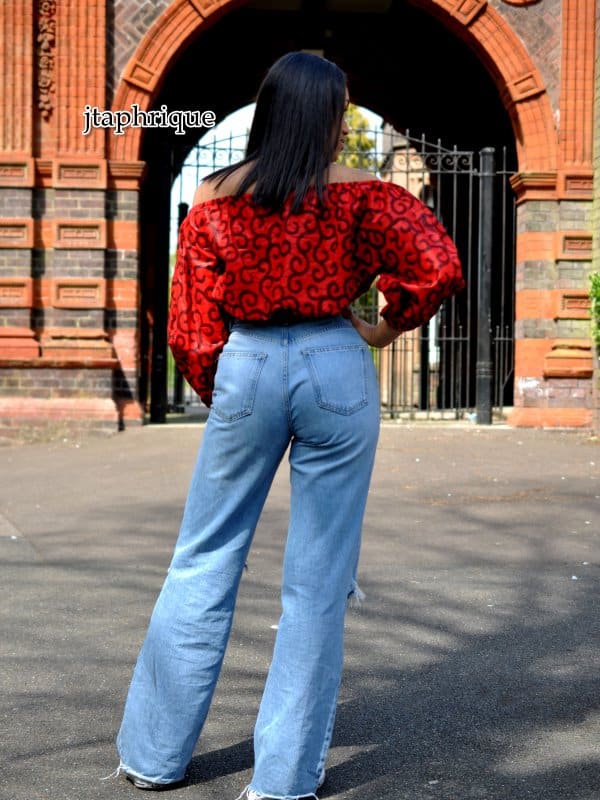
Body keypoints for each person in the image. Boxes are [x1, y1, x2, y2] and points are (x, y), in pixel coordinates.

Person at [115, 51, 464, 800]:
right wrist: (384, 327)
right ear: (334, 119)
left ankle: (154, 755)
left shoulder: (213, 195)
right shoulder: (367, 198)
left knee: (203, 557)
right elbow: (438, 265)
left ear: (269, 110)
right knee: (317, 581)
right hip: (336, 364)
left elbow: (189, 323)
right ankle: (281, 781)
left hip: (247, 363)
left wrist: (224, 390)